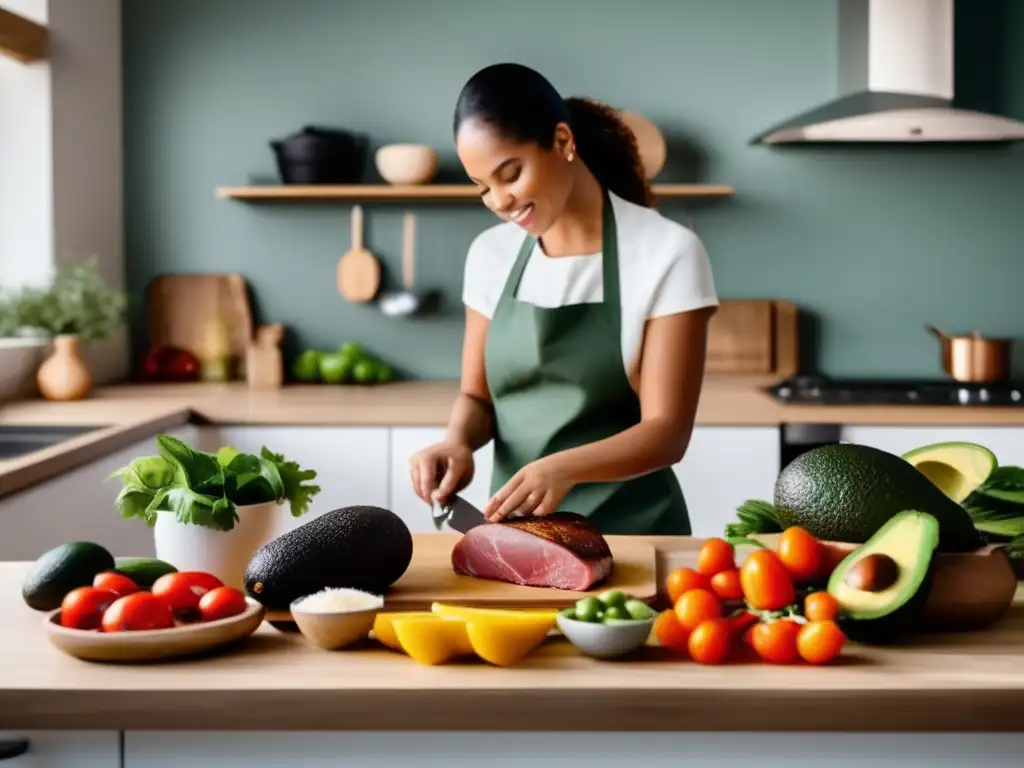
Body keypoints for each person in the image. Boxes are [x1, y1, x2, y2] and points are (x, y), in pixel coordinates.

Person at [409, 63, 719, 535]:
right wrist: (457, 443)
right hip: (520, 540)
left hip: (635, 536)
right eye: (482, 187)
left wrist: (564, 468)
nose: (499, 201)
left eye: (509, 174)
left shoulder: (666, 252)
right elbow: (477, 397)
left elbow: (667, 432)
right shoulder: (491, 254)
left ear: (562, 141)